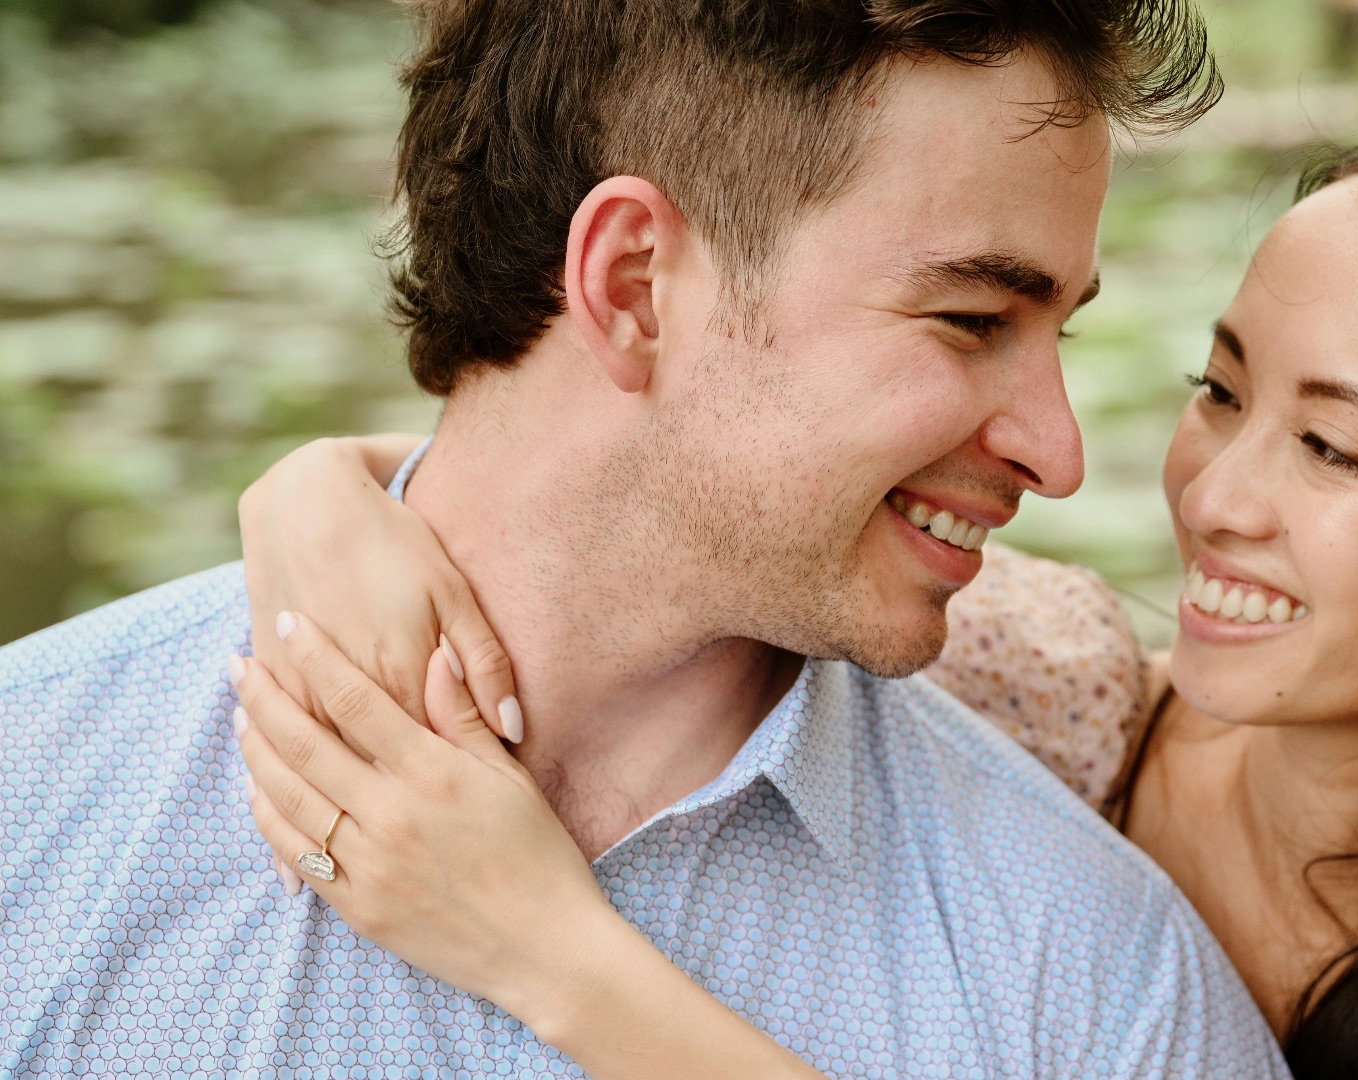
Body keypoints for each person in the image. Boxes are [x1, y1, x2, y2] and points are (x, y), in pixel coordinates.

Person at [239, 117, 1358, 1078]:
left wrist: (552, 957)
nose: (1214, 497)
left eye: (1333, 450)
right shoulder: (1064, 685)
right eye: (1219, 392)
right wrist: (320, 499)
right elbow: (663, 499)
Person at [0, 2, 1292, 1076]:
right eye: (968, 319)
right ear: (631, 283)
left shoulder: (1106, 996)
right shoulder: (38, 804)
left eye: (1052, 331)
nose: (1058, 453)